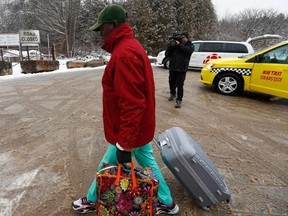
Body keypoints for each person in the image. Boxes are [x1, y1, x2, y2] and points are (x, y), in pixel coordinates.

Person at [72, 4, 179, 215]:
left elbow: (132, 103)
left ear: (113, 25)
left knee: (113, 163)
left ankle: (94, 198)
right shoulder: (130, 46)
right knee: (138, 162)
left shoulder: (124, 53)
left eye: (102, 27)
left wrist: (125, 143)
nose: (100, 32)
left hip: (130, 130)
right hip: (135, 128)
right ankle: (166, 201)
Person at [165, 32, 194, 108]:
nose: (182, 39)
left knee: (180, 85)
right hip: (173, 67)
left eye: (184, 37)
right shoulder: (174, 45)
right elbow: (167, 54)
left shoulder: (189, 45)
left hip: (182, 69)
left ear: (187, 38)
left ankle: (179, 99)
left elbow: (188, 51)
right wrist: (170, 46)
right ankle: (173, 93)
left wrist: (179, 45)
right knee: (171, 82)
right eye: (181, 37)